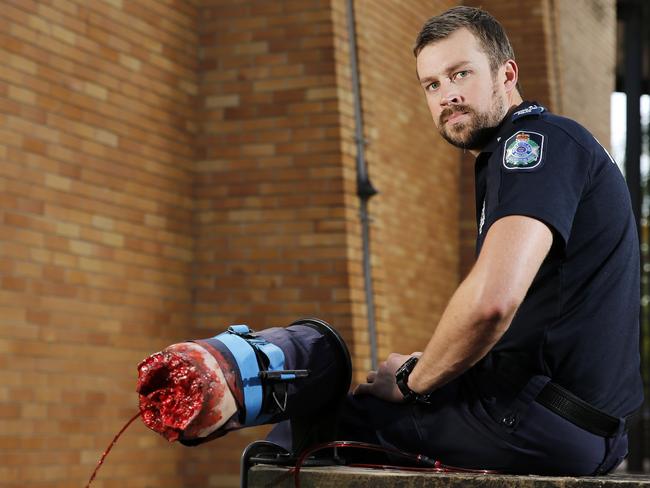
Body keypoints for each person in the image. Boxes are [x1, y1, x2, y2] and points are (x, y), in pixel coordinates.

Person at [138, 6, 642, 476]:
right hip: (562, 418)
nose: (447, 95)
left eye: (461, 73)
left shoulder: (532, 145)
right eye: (432, 84)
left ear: (506, 75)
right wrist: (425, 369)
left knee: (299, 441)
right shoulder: (535, 152)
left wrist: (411, 383)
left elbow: (491, 303)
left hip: (543, 420)